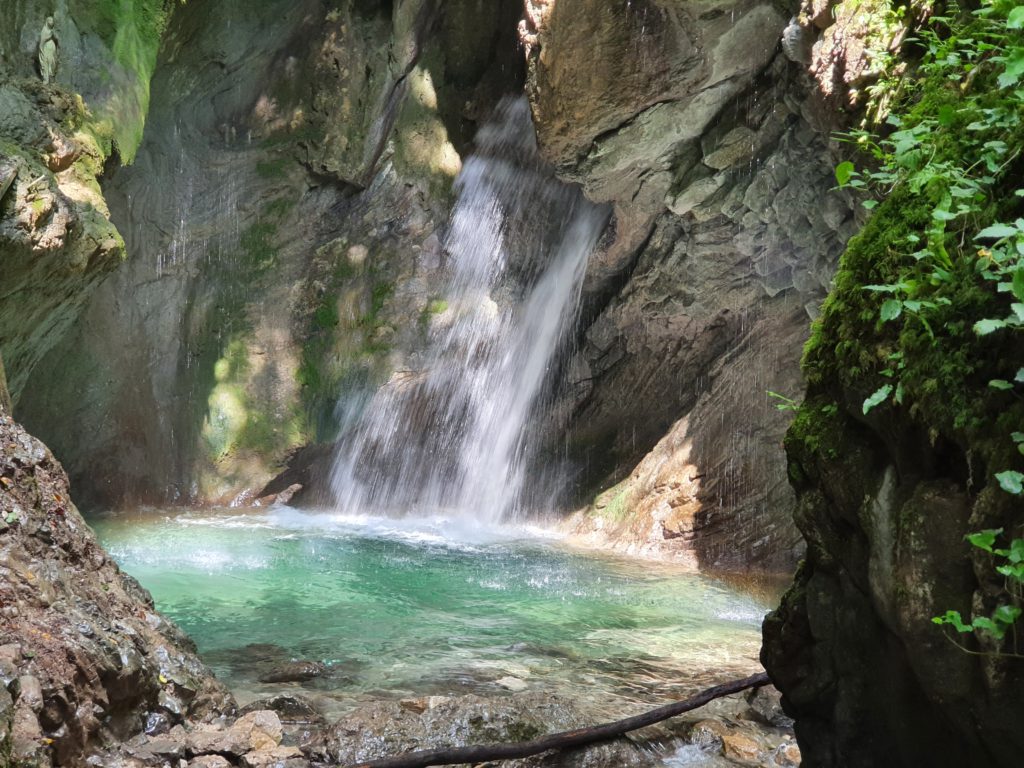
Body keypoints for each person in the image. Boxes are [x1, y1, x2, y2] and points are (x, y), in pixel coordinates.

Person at [38, 16, 57, 84]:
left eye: (52, 21)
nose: (52, 22)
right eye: (50, 21)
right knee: (46, 63)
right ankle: (46, 80)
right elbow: (42, 41)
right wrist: (50, 35)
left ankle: (51, 80)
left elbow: (57, 39)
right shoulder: (44, 30)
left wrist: (53, 35)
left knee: (52, 63)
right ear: (47, 21)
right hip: (46, 49)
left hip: (52, 50)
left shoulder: (52, 30)